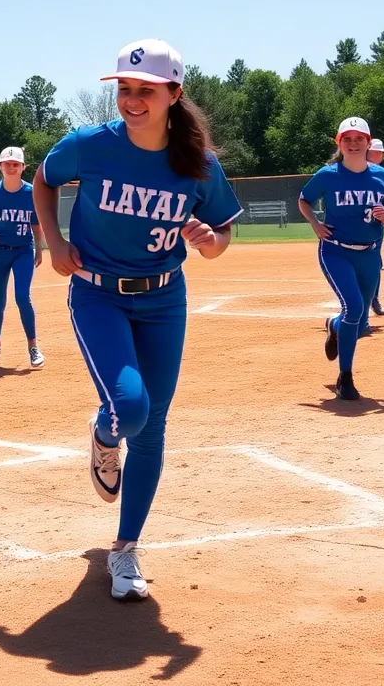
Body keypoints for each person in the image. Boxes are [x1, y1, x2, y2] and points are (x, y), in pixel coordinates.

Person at [33, 39, 242, 601]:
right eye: (124, 89)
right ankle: (105, 435)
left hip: (163, 299)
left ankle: (124, 551)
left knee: (152, 429)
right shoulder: (90, 147)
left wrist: (208, 240)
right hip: (98, 294)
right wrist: (54, 241)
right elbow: (43, 180)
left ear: (174, 94)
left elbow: (223, 234)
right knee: (130, 408)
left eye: (145, 90)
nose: (131, 100)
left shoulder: (198, 163)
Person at [298, 118, 384, 401]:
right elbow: (304, 200)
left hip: (369, 254)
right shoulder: (328, 174)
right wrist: (315, 224)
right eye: (348, 138)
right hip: (335, 250)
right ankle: (345, 378)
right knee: (354, 307)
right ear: (339, 143)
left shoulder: (382, 177)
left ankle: (334, 326)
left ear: (369, 143)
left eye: (360, 139)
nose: (354, 143)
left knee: (358, 324)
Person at [0, 146, 46, 368]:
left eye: (16, 164)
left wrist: (39, 247)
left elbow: (36, 224)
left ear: (23, 167)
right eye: (7, 163)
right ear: (0, 166)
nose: (11, 167)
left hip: (23, 251)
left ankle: (33, 346)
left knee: (22, 297)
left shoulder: (30, 192)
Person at [362, 138, 384, 328]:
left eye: (382, 153)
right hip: (354, 227)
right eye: (378, 152)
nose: (381, 155)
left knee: (375, 264)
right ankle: (359, 302)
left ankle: (374, 299)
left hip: (375, 227)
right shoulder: (354, 170)